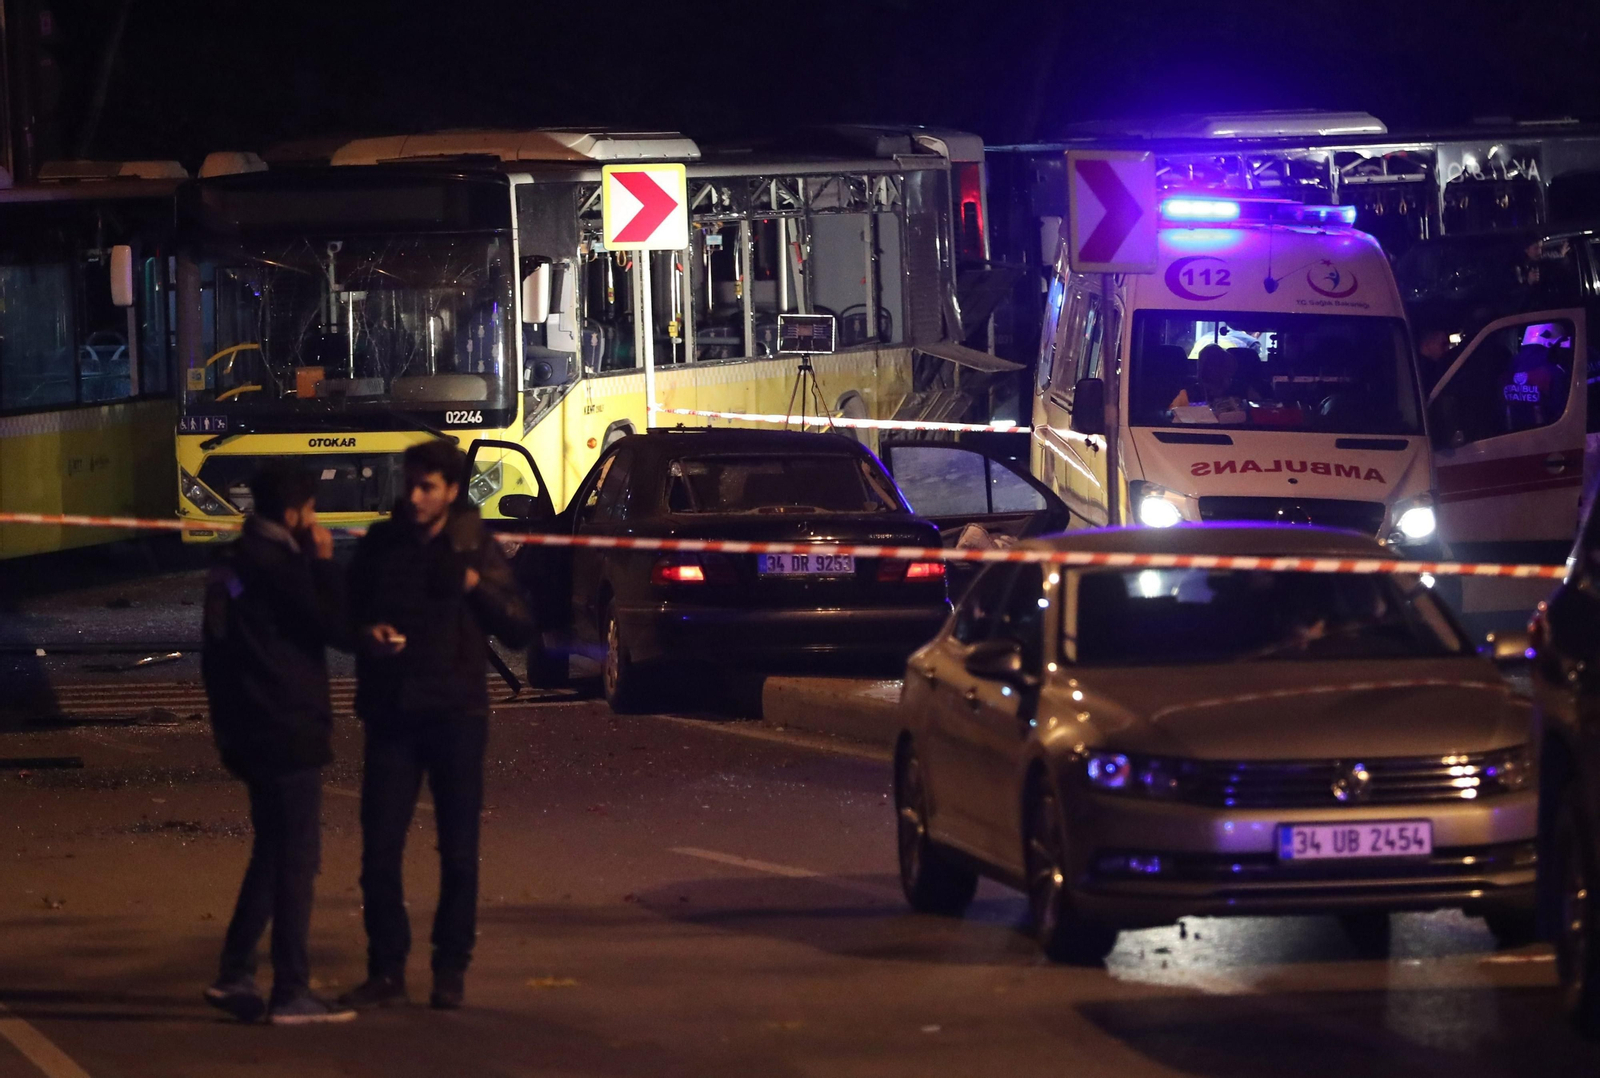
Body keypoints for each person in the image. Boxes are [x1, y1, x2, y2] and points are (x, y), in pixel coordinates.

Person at [340, 441, 534, 1011]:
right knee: (379, 850)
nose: (417, 496)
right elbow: (348, 613)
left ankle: (450, 969)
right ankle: (386, 969)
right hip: (393, 712)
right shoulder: (382, 544)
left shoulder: (474, 544)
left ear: (452, 490)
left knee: (458, 851)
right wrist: (368, 634)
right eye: (412, 484)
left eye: (429, 486)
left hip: (456, 715)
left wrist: (474, 585)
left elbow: (520, 626)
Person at [201, 463, 355, 1025]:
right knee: (296, 860)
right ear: (294, 513)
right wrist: (322, 562)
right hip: (286, 726)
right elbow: (335, 625)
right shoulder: (284, 567)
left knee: (272, 853)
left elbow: (215, 652)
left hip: (246, 726)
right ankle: (290, 989)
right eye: (312, 510)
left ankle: (235, 972)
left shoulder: (232, 564)